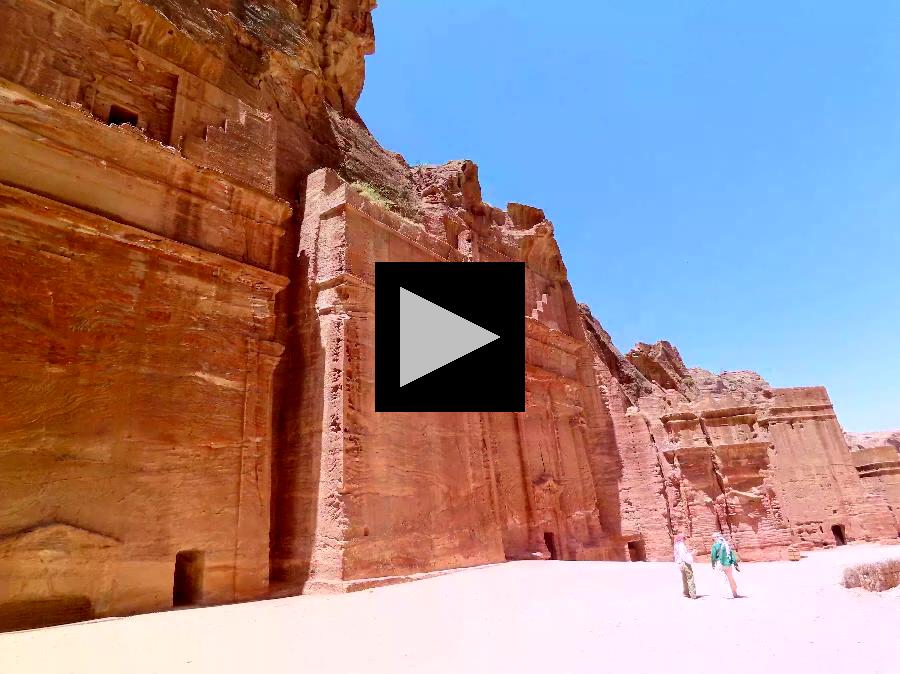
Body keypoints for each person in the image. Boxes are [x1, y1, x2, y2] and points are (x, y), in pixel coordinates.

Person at [710, 532, 740, 598]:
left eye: (713, 539)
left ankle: (727, 594)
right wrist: (735, 563)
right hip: (728, 563)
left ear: (716, 538)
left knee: (723, 578)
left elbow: (713, 556)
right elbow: (731, 554)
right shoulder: (726, 544)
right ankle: (734, 592)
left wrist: (713, 564)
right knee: (730, 578)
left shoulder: (715, 546)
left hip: (720, 563)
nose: (713, 540)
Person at [673, 533, 697, 598]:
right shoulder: (681, 545)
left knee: (684, 578)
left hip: (680, 564)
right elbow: (684, 555)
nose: (685, 539)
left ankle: (686, 592)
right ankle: (693, 594)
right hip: (685, 563)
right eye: (684, 538)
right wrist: (691, 554)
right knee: (690, 577)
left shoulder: (676, 545)